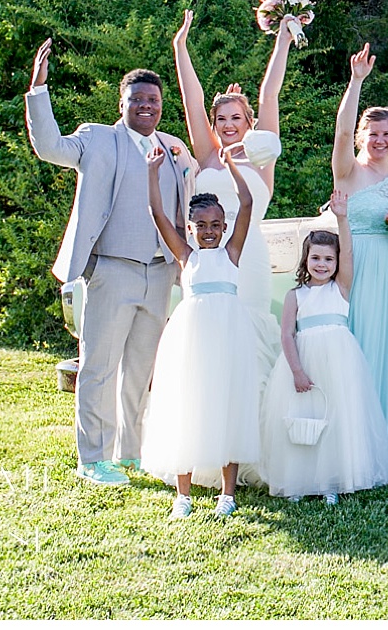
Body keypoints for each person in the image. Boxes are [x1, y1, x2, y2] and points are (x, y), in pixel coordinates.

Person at [25, 40, 193, 487]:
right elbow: (48, 147)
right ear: (122, 103)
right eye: (137, 99)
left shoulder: (173, 148)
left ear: (162, 106)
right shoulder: (98, 138)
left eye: (153, 101)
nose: (145, 106)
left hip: (159, 273)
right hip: (111, 269)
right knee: (99, 366)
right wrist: (38, 92)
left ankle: (131, 453)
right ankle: (93, 458)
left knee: (141, 370)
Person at [172, 10, 296, 388]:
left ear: (249, 122)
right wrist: (181, 47)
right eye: (222, 119)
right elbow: (191, 99)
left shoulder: (262, 156)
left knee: (252, 332)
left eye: (236, 118)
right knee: (212, 336)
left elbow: (269, 93)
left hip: (250, 256)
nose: (228, 125)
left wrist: (283, 41)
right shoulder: (209, 154)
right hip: (208, 256)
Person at [139, 144, 261, 518]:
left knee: (229, 403)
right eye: (201, 226)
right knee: (186, 403)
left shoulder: (231, 253)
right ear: (190, 229)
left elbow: (247, 203)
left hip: (228, 335)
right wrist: (152, 172)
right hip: (191, 336)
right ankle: (184, 495)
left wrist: (232, 167)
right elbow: (158, 213)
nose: (209, 232)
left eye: (215, 225)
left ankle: (228, 494)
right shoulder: (185, 256)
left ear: (224, 227)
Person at [259, 191, 388, 503]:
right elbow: (286, 335)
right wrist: (297, 371)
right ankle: (298, 481)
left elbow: (349, 252)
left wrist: (342, 218)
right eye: (315, 258)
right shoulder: (296, 295)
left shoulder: (342, 288)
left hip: (338, 361)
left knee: (336, 418)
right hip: (303, 362)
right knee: (301, 422)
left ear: (336, 264)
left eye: (328, 259)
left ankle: (330, 482)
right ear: (305, 260)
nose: (322, 264)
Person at [331, 43, 388, 481]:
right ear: (362, 138)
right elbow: (341, 129)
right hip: (358, 269)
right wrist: (356, 81)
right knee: (361, 352)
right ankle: (356, 449)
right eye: (373, 134)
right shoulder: (348, 171)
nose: (380, 140)